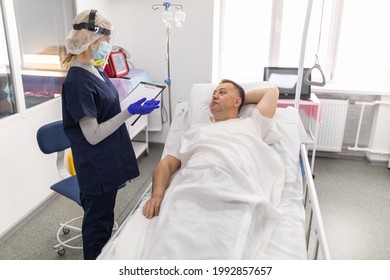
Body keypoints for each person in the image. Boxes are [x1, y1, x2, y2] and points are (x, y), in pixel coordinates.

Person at [138, 79, 283, 259]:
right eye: (214, 93)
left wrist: (239, 98)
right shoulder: (196, 130)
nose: (214, 95)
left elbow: (272, 92)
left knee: (226, 246)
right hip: (191, 186)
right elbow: (166, 163)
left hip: (236, 187)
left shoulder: (252, 124)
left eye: (222, 92)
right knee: (171, 244)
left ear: (238, 102)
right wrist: (157, 195)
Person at [61, 9, 159, 260]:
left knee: (105, 219)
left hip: (107, 160)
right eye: (105, 41)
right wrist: (129, 112)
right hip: (96, 168)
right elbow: (93, 134)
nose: (108, 46)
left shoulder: (96, 70)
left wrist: (135, 104)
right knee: (97, 226)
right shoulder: (77, 81)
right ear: (90, 39)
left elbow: (105, 108)